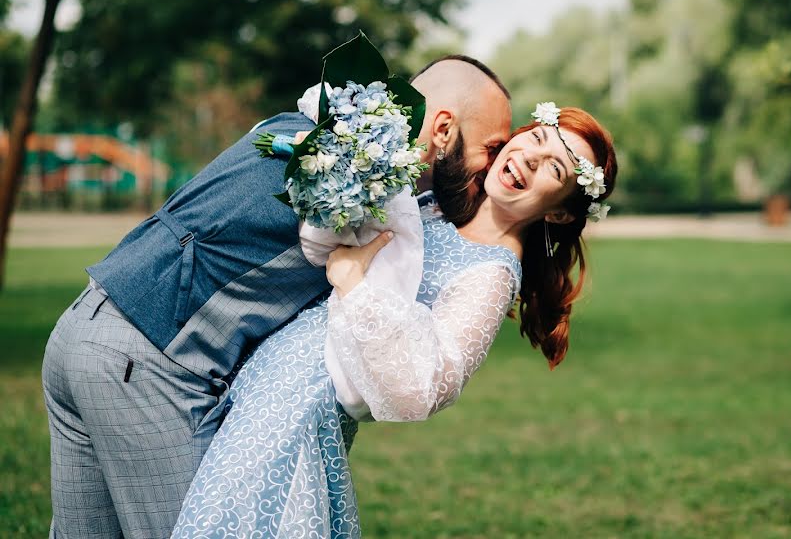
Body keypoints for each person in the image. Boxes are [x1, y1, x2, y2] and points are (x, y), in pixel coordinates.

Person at [40, 55, 511, 539]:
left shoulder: (304, 123)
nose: (494, 166)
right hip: (146, 363)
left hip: (82, 325)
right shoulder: (369, 184)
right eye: (492, 148)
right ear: (444, 128)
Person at [171, 105, 618, 537]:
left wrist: (353, 286)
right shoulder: (440, 208)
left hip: (298, 412)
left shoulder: (491, 274)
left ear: (559, 212)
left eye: (555, 170)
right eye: (536, 138)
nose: (531, 159)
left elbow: (428, 387)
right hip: (266, 381)